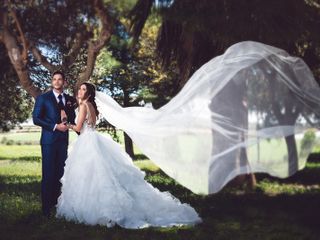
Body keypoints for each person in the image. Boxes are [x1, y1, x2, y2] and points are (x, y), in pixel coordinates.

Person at [56, 82, 202, 228]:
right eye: (80, 89)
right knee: (101, 174)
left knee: (89, 176)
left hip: (86, 142)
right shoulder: (92, 106)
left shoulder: (83, 106)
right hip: (94, 139)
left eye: (83, 89)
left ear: (88, 93)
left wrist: (65, 122)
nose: (80, 91)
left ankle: (93, 210)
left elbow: (78, 127)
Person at [32, 71, 77, 217]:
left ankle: (57, 205)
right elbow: (36, 119)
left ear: (64, 82)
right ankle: (46, 209)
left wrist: (68, 123)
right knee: (48, 174)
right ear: (52, 81)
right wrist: (55, 126)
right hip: (48, 142)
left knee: (60, 173)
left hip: (63, 141)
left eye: (60, 79)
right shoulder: (43, 98)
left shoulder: (69, 99)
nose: (57, 82)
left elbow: (73, 117)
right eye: (54, 79)